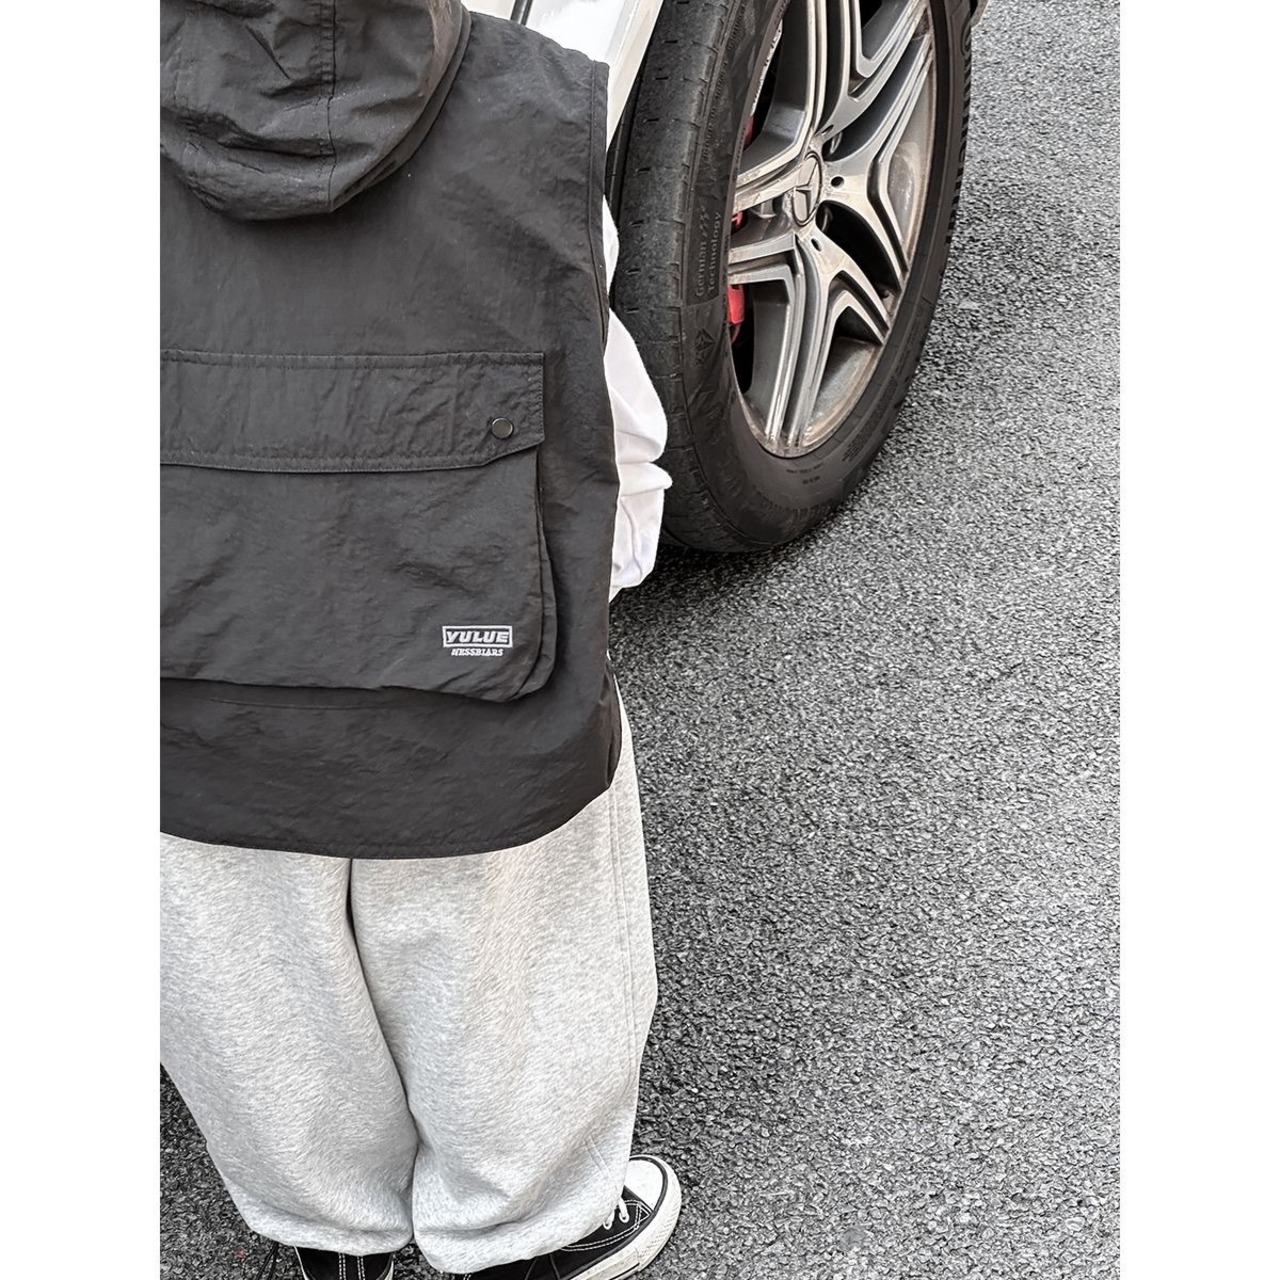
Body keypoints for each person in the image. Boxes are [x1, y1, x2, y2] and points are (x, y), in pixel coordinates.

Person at [159, 2, 679, 1278]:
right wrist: (602, 578)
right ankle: (521, 1225)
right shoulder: (543, 107)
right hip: (475, 649)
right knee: (501, 941)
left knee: (240, 960)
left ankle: (329, 1225)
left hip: (178, 668)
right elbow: (611, 431)